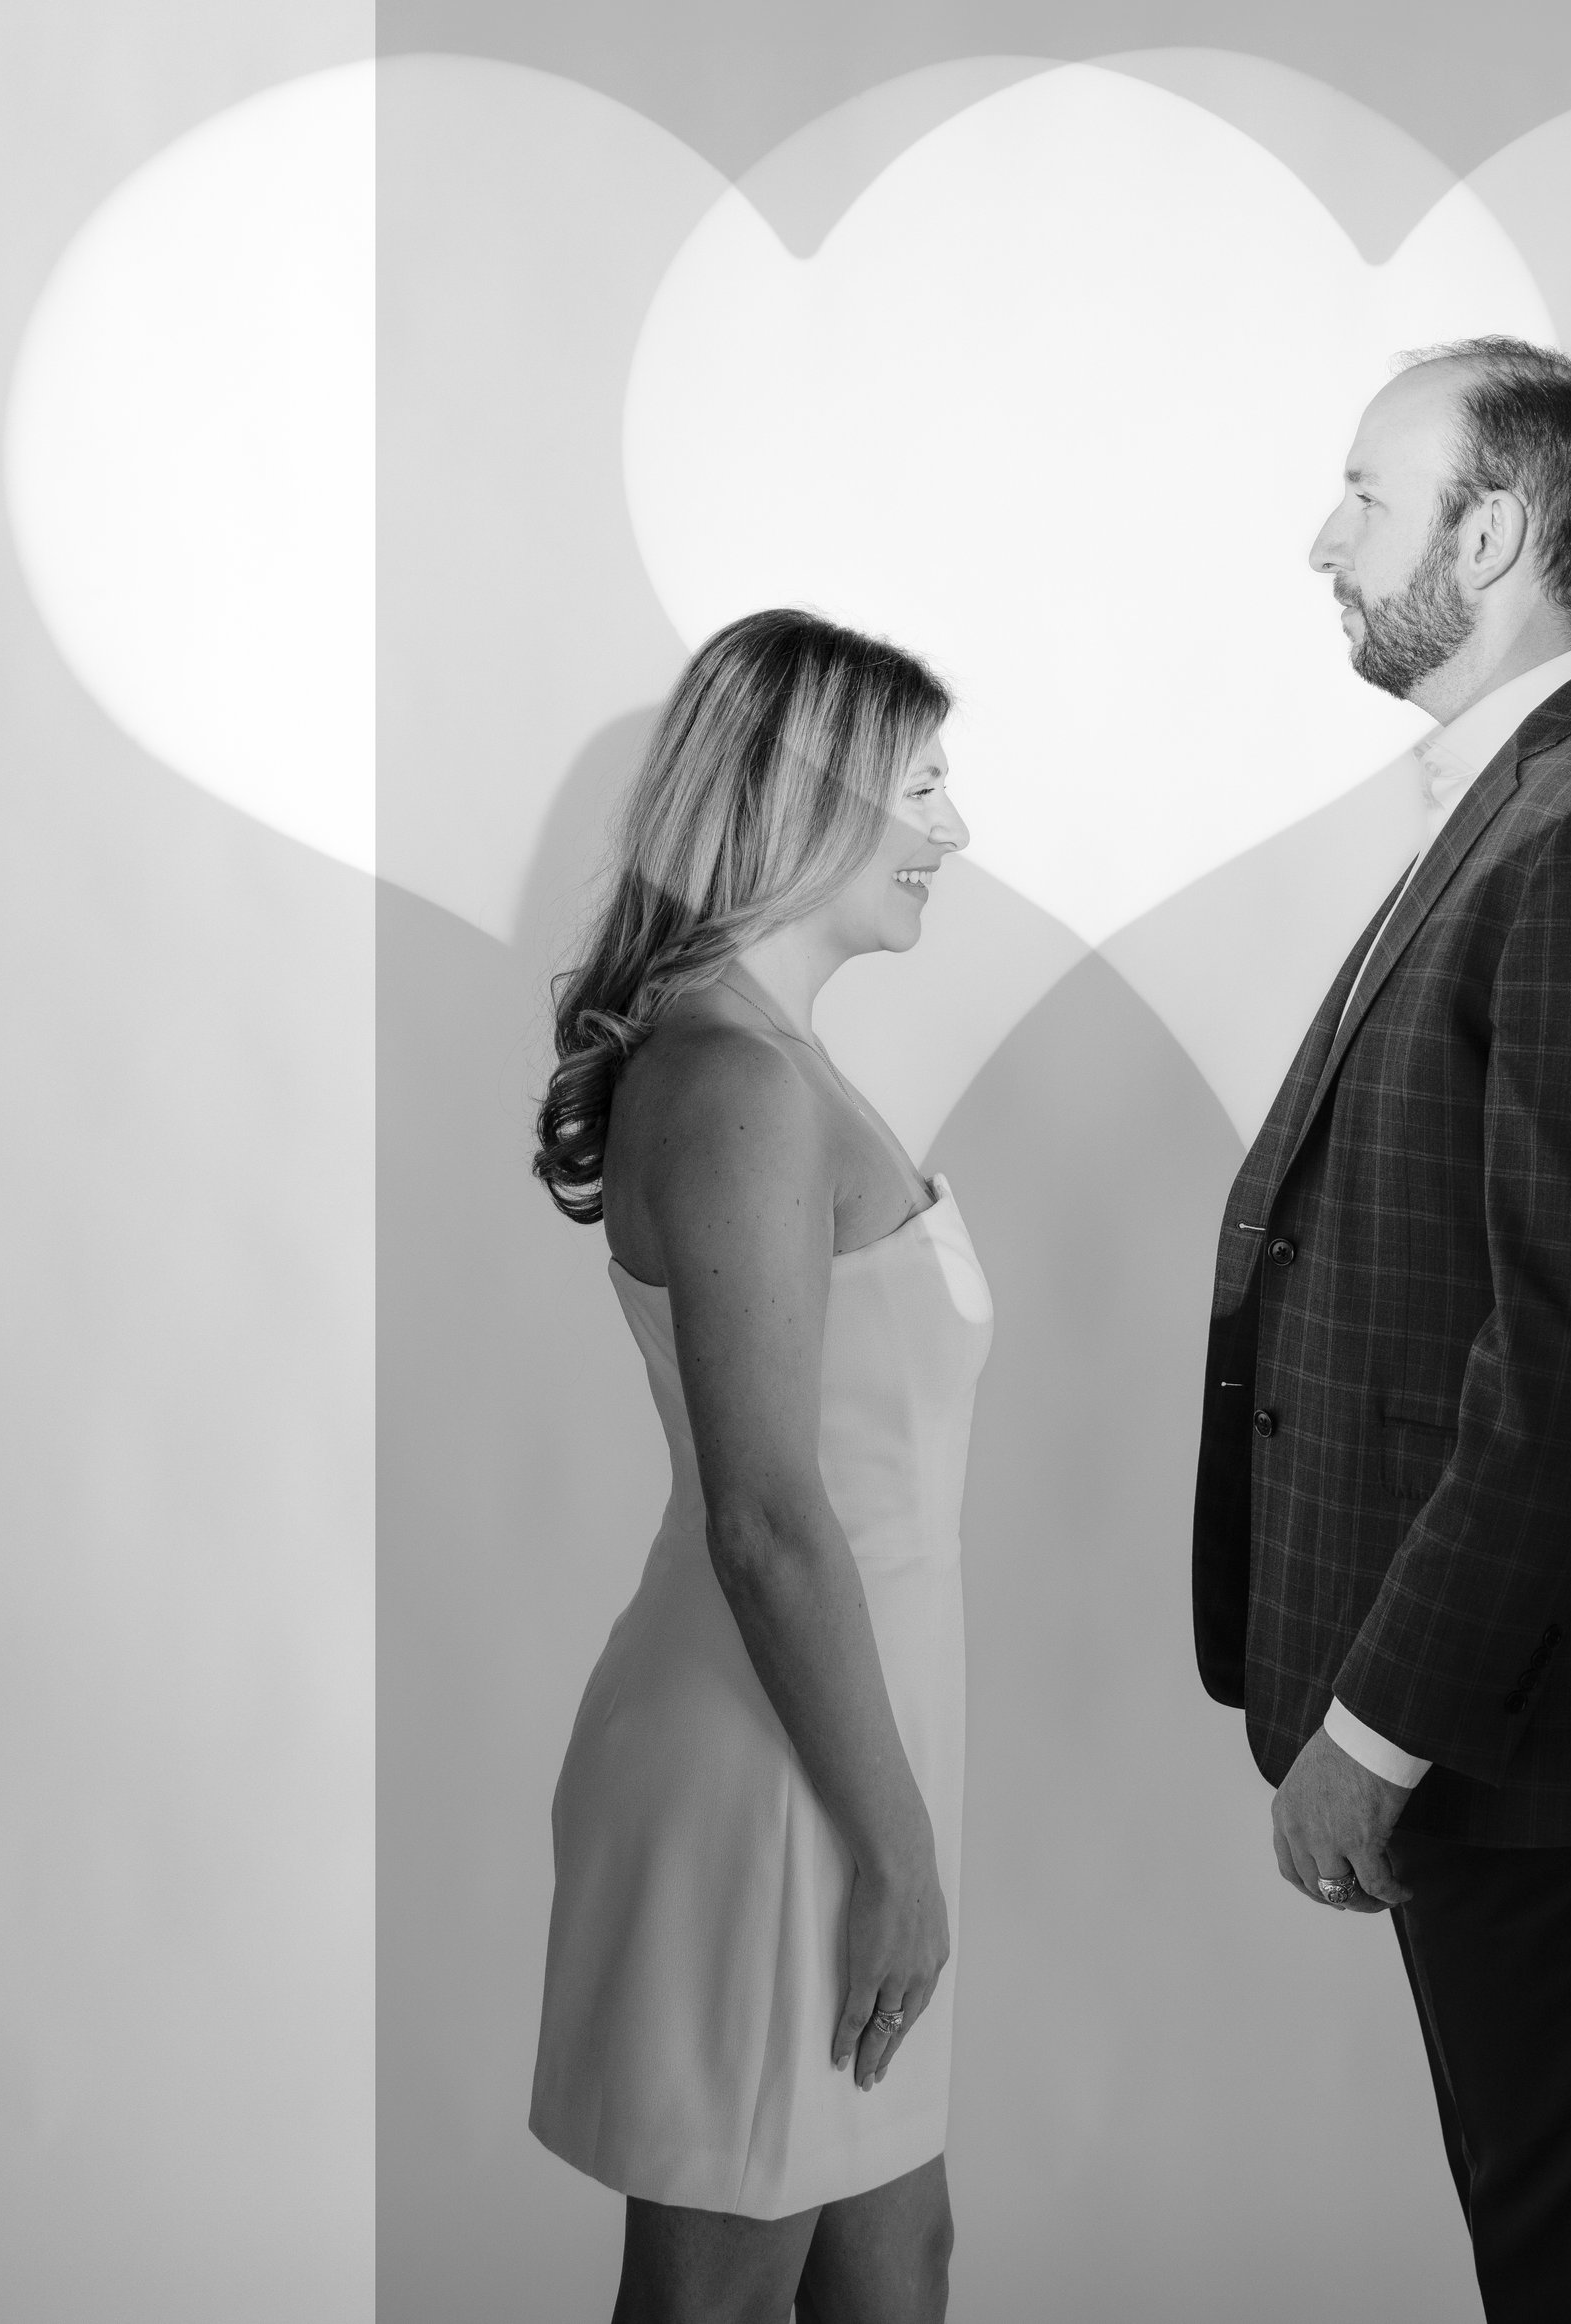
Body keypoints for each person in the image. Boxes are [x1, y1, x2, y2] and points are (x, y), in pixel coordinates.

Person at [1190, 339, 1571, 2321]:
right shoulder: (1529, 804)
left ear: (1495, 527)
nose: (1320, 540)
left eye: (1362, 497)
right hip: (1518, 1733)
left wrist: (1372, 1727)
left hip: (1549, 1741)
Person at [528, 609, 989, 2324]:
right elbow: (771, 1517)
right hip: (777, 1762)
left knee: (895, 2260)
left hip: (847, 1749)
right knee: (723, 2288)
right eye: (924, 787)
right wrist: (894, 1851)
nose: (956, 831)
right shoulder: (735, 1085)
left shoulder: (783, 1067)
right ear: (803, 802)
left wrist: (898, 1829)